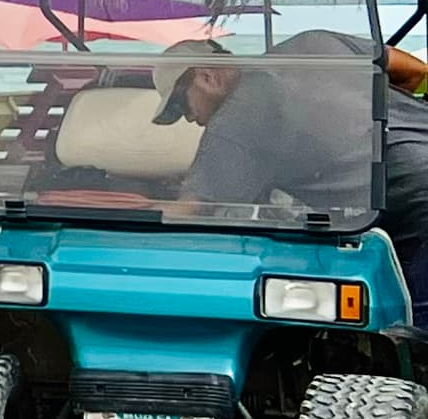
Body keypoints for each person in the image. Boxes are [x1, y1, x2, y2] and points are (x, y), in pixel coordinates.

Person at [166, 31, 428, 285]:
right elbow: (417, 72)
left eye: (181, 105)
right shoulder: (315, 42)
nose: (191, 119)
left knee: (404, 324)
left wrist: (139, 208)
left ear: (207, 77)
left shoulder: (233, 122)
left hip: (413, 206)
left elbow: (191, 212)